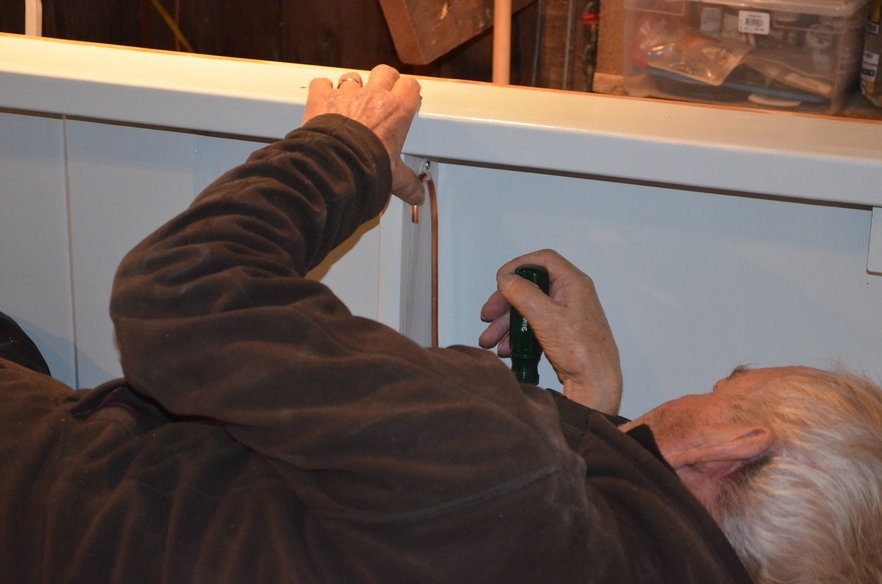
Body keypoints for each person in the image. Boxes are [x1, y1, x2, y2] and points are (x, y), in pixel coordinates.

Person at [0, 64, 880, 584]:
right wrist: (592, 413)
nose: (703, 389)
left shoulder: (500, 470)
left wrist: (339, 149)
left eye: (726, 384)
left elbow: (180, 289)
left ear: (731, 446)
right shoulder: (560, 521)